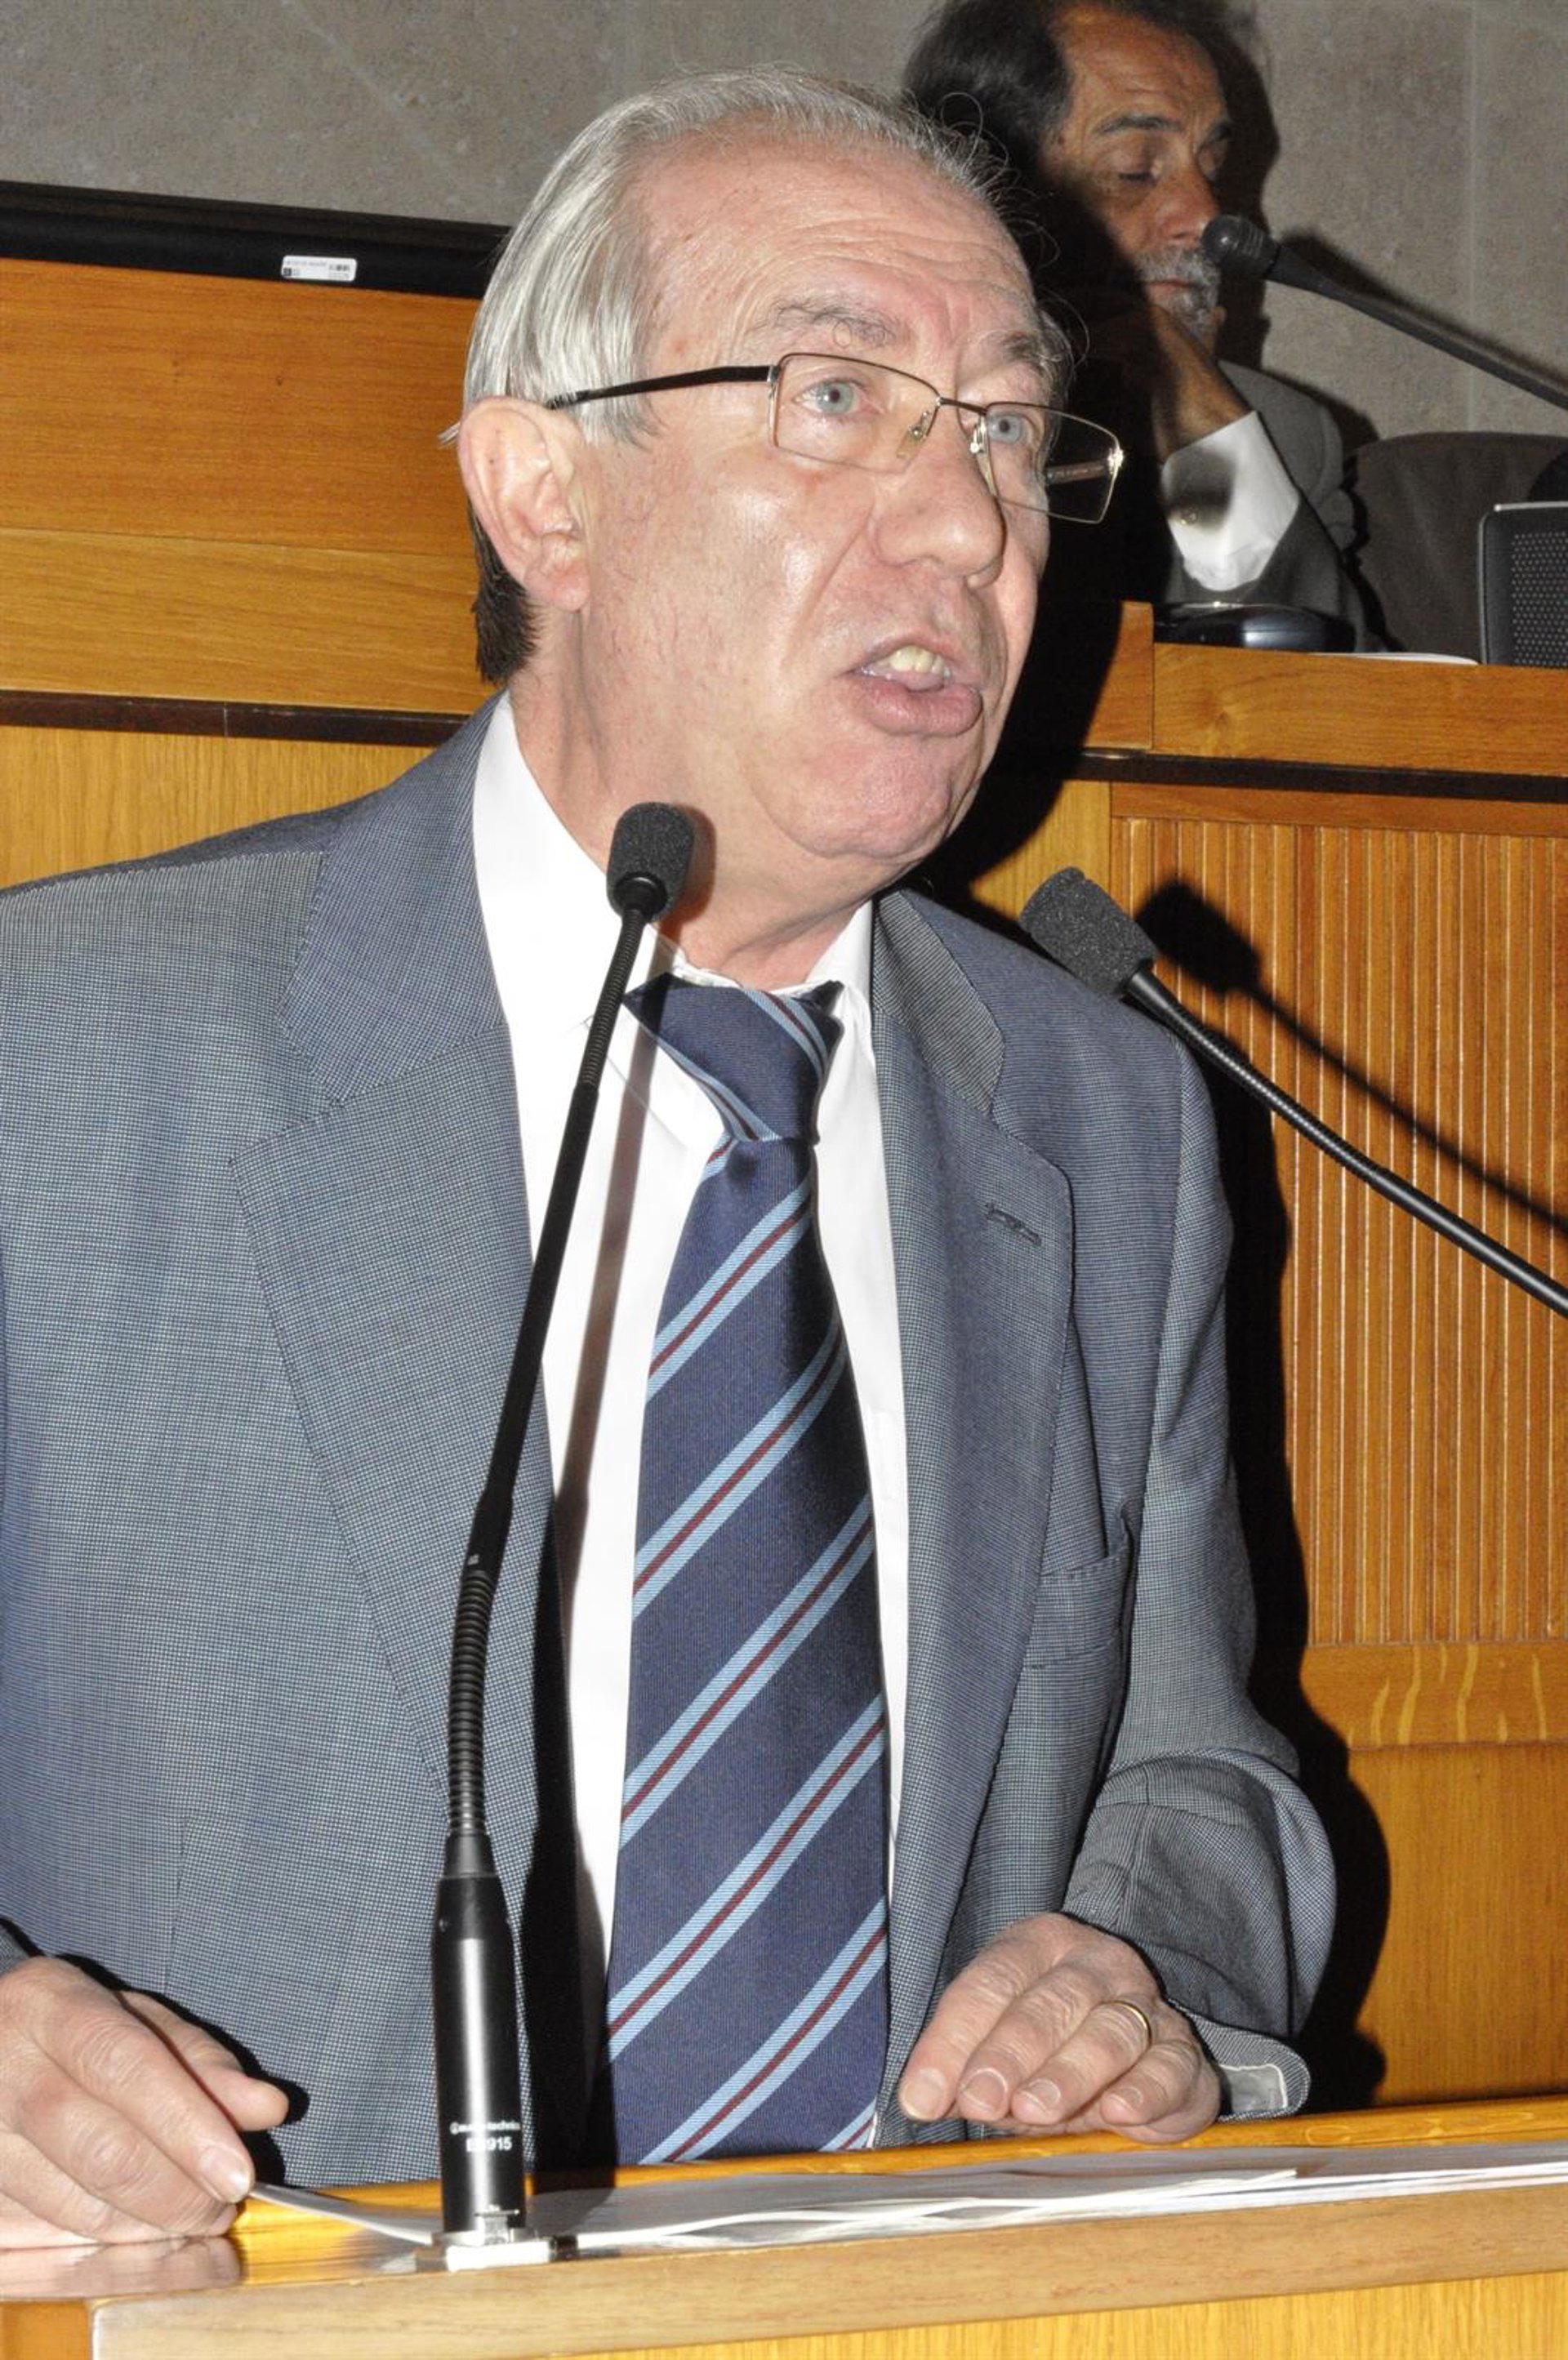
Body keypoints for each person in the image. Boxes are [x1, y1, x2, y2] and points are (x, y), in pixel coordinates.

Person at [0, 68, 1333, 2249]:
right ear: (545, 488)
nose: (968, 522)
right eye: (837, 398)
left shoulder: (1100, 1111)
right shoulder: (53, 1056)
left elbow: (1200, 1759)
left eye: (1011, 429)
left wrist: (1139, 1974)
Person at [905, 0, 1373, 638]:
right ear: (990, 190)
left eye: (1214, 170)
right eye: (1135, 171)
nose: (1208, 220)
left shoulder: (1282, 437)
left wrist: (1214, 448)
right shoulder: (889, 415)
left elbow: (1340, 691)